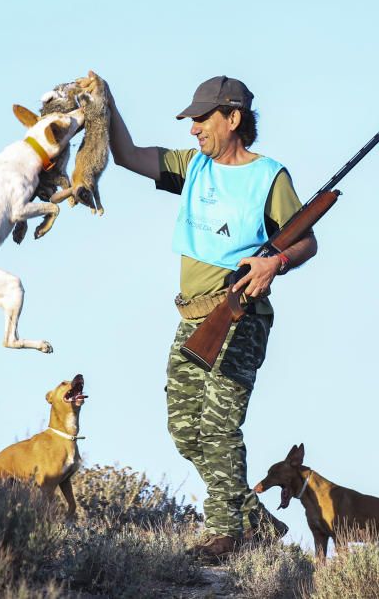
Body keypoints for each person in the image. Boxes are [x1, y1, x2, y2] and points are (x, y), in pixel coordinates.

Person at [76, 72, 318, 561]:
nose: (193, 129)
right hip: (192, 319)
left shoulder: (269, 176)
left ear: (233, 119)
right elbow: (127, 155)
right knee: (186, 431)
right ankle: (257, 521)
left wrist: (275, 262)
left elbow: (306, 239)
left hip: (242, 315)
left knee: (219, 428)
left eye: (202, 119)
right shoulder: (192, 168)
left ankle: (225, 533)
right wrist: (106, 104)